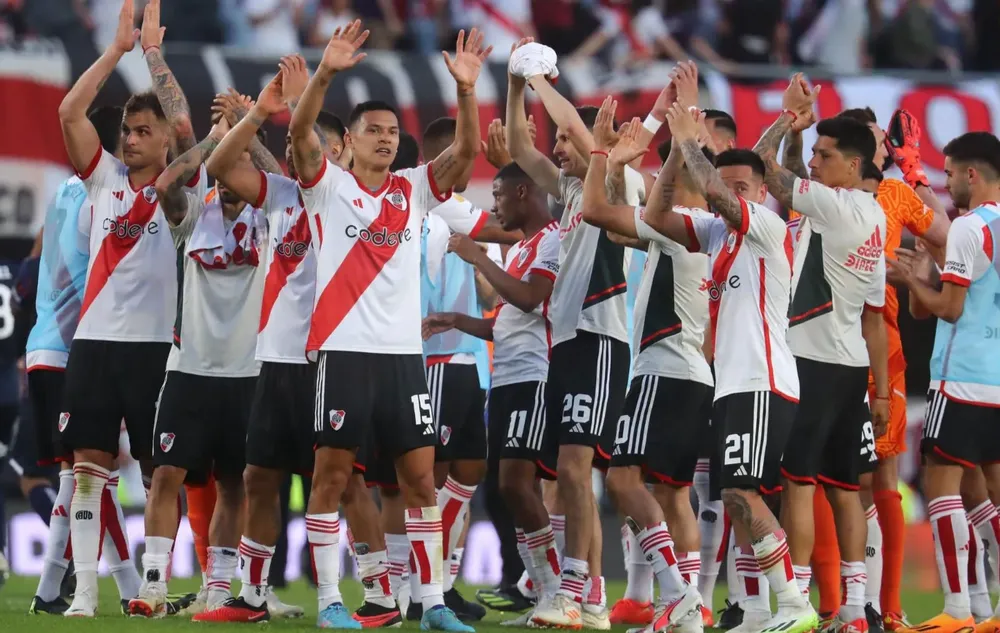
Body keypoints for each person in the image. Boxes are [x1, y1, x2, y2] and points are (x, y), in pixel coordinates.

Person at [288, 20, 493, 631]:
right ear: (348, 139)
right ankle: (328, 599)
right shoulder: (326, 186)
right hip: (343, 353)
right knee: (330, 477)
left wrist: (464, 91)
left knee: (421, 482)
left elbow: (466, 154)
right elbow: (300, 132)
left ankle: (429, 603)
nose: (384, 139)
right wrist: (324, 72)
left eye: (391, 132)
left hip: (404, 360)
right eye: (371, 131)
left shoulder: (413, 190)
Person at [644, 95, 818, 633]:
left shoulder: (765, 225)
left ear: (764, 194)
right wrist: (782, 121)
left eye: (747, 187)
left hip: (762, 379)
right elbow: (654, 217)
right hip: (735, 385)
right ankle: (762, 610)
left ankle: (794, 603)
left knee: (742, 492)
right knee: (739, 496)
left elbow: (721, 188)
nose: (734, 194)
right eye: (731, 186)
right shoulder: (719, 235)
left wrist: (689, 142)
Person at [55, 0, 204, 616]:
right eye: (129, 132)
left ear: (166, 137)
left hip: (153, 350)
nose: (133, 140)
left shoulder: (185, 192)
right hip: (92, 343)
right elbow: (69, 111)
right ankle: (85, 594)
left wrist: (152, 57)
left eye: (146, 132)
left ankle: (150, 588)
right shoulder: (102, 177)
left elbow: (190, 134)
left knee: (157, 471)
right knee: (88, 468)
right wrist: (115, 51)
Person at [505, 38, 651, 630]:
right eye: (559, 139)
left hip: (599, 335)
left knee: (573, 468)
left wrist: (541, 79)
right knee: (571, 473)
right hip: (568, 341)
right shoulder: (572, 194)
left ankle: (571, 593)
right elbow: (518, 146)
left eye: (566, 139)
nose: (555, 146)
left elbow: (579, 132)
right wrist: (516, 81)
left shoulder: (621, 181)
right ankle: (587, 599)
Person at [752, 74, 889, 633]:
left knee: (798, 485)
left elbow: (764, 167)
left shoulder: (833, 206)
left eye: (825, 155)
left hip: (808, 360)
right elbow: (876, 317)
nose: (814, 161)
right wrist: (880, 390)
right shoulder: (872, 218)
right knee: (847, 488)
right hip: (850, 364)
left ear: (853, 167)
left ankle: (799, 603)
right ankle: (856, 609)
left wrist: (787, 118)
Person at [806, 106, 951, 630]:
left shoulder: (895, 195)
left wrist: (917, 273)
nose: (878, 147)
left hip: (879, 342)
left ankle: (886, 608)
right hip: (822, 338)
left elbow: (948, 243)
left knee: (881, 472)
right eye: (869, 139)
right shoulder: (818, 195)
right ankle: (831, 604)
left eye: (880, 140)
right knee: (822, 472)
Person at [579, 96, 717, 633]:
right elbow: (619, 229)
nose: (656, 177)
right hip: (692, 376)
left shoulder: (678, 223)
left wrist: (605, 158)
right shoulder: (703, 226)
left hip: (662, 369)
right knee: (673, 494)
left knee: (621, 479)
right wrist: (620, 171)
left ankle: (679, 595)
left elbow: (599, 216)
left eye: (662, 169)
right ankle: (684, 612)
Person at [424, 161, 561, 627]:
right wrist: (457, 321)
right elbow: (505, 320)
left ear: (523, 192)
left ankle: (556, 590)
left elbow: (530, 299)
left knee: (516, 485)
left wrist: (478, 257)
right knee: (509, 490)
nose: (494, 204)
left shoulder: (552, 240)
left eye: (499, 195)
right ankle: (544, 595)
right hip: (505, 378)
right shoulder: (522, 248)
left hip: (534, 378)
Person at [888, 131, 1000, 633]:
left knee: (941, 484)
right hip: (996, 379)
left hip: (961, 377)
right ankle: (982, 607)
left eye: (951, 173)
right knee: (987, 492)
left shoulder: (970, 229)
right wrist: (915, 180)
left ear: (971, 175)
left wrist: (910, 280)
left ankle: (956, 609)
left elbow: (948, 308)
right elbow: (945, 239)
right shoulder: (981, 228)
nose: (947, 181)